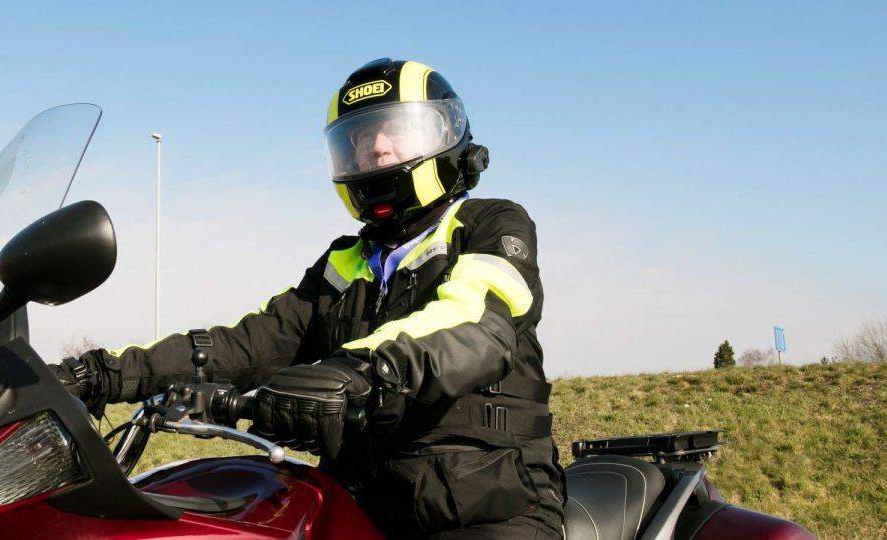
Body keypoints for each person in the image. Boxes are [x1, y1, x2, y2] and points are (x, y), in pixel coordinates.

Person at [57, 58, 564, 539]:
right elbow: (245, 346)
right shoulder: (343, 263)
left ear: (445, 135)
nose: (377, 149)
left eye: (395, 131)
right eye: (360, 138)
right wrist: (101, 374)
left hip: (488, 502)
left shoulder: (488, 225)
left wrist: (362, 371)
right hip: (362, 500)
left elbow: (473, 323)